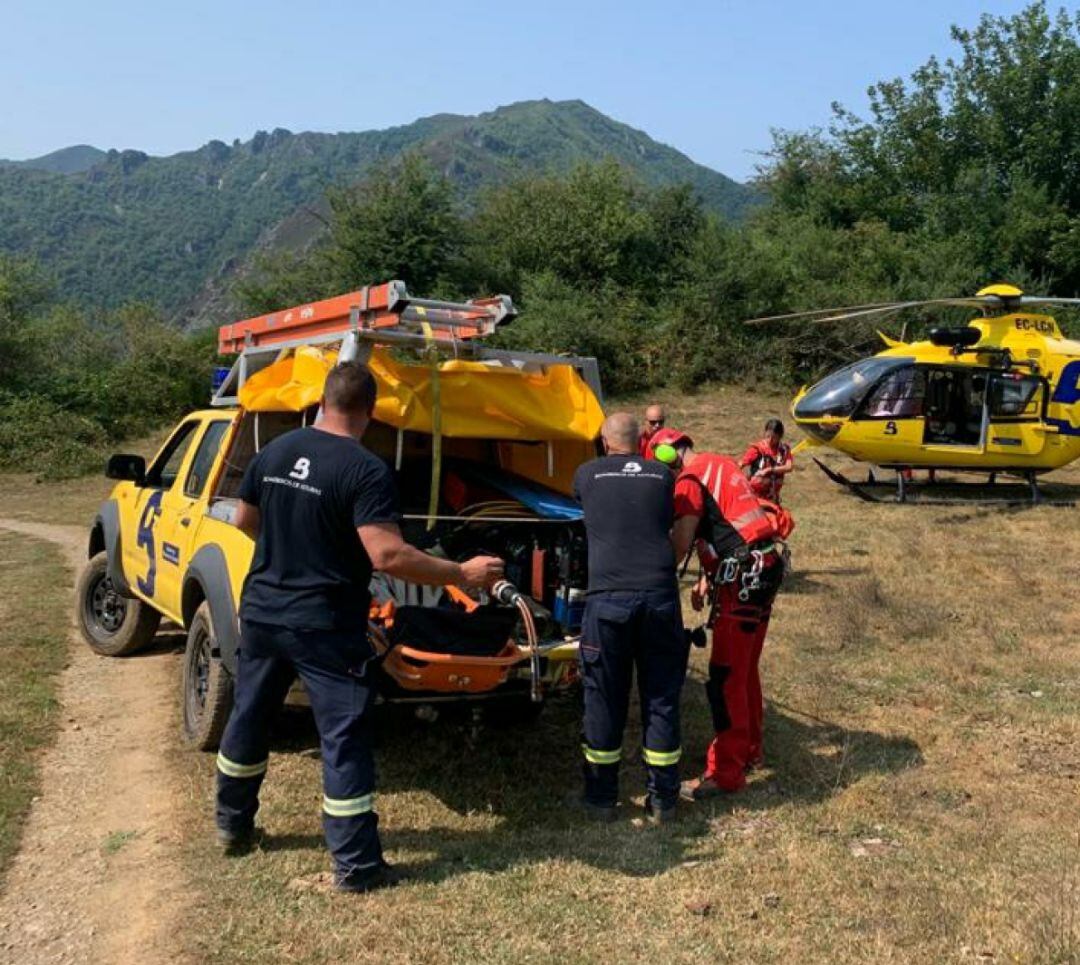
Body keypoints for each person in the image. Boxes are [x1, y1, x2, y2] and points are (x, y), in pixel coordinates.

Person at [217, 361, 504, 893]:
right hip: (324, 624)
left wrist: (291, 555)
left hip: (261, 612)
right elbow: (388, 555)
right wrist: (463, 573)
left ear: (322, 401)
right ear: (371, 412)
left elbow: (245, 522)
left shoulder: (273, 452)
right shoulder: (364, 469)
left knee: (250, 716)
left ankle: (232, 825)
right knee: (343, 738)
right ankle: (357, 865)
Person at [572, 412, 688, 823]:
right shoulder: (663, 476)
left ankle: (602, 798)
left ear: (604, 442)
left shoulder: (586, 474)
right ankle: (663, 800)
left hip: (608, 599)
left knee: (604, 696)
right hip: (659, 596)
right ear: (641, 441)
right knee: (661, 696)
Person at [655, 431, 783, 797]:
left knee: (725, 675)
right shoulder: (723, 463)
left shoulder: (690, 480)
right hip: (764, 566)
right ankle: (750, 750)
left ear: (667, 456)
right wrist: (708, 579)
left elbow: (680, 543)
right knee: (745, 669)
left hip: (742, 580)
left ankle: (725, 771)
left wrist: (649, 569)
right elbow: (730, 524)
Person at [740, 419, 794, 503]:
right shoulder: (757, 449)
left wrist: (769, 469)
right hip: (754, 498)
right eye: (768, 436)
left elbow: (789, 467)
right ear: (765, 433)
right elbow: (741, 464)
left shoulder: (784, 450)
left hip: (772, 498)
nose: (770, 440)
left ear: (780, 436)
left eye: (774, 437)